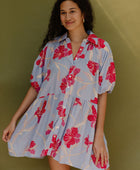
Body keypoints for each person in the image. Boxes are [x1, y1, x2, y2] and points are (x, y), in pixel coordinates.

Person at [2, 0, 116, 170]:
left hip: (84, 126)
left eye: (72, 11)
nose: (68, 17)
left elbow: (102, 93)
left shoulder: (100, 49)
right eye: (63, 13)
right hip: (54, 123)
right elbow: (36, 86)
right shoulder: (52, 48)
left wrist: (98, 135)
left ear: (83, 13)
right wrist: (14, 120)